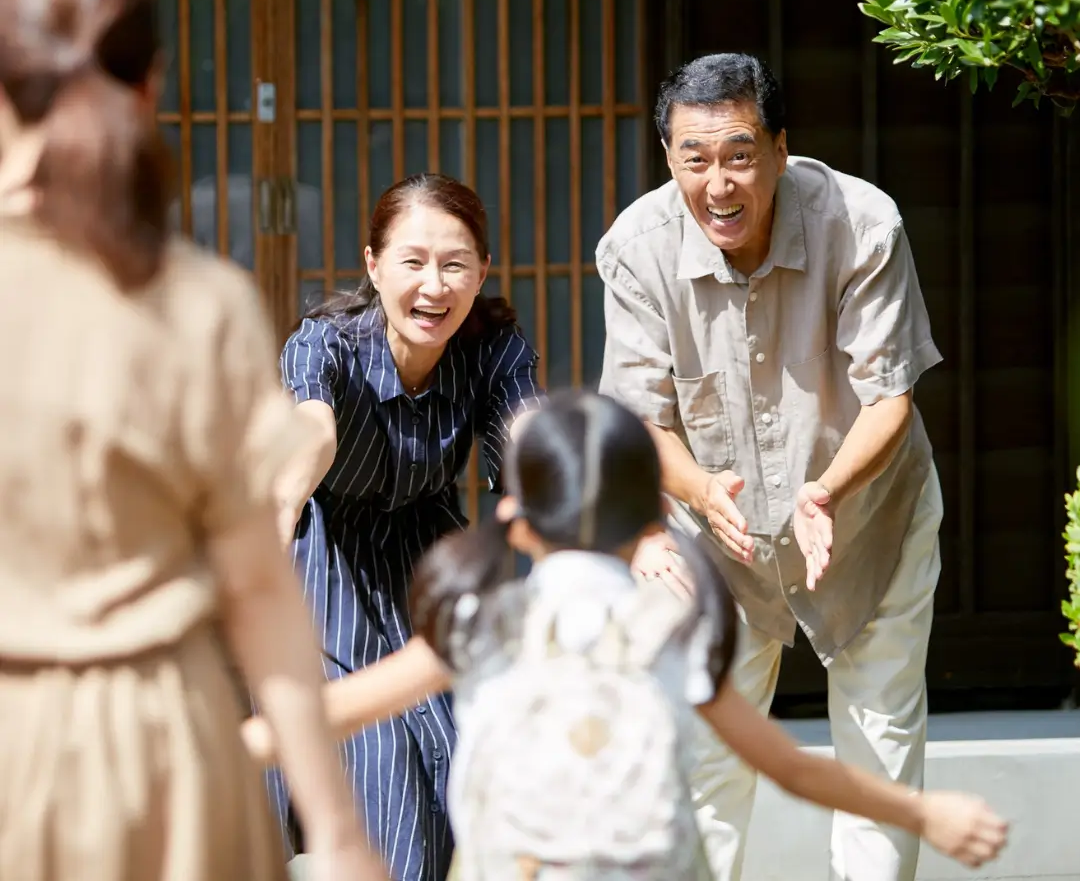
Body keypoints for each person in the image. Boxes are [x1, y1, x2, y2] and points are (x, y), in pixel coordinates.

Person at [241, 391, 1007, 879]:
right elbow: (792, 768)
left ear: (515, 521)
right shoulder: (668, 633)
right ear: (650, 524)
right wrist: (922, 813)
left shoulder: (488, 626)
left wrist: (214, 744)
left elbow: (322, 716)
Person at [0, 0, 381, 881]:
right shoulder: (200, 302)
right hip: (172, 750)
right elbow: (259, 587)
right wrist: (337, 833)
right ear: (153, 82)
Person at [595, 52, 946, 881]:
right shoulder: (636, 249)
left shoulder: (862, 224)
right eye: (695, 158)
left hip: (867, 522)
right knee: (704, 762)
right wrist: (700, 491)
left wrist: (823, 491)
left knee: (877, 765)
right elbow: (641, 418)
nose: (718, 183)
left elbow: (889, 397)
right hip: (718, 542)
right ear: (669, 157)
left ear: (782, 150)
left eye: (740, 155)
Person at [268, 172, 543, 880]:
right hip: (327, 560)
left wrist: (586, 525)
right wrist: (280, 509)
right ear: (373, 264)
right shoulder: (324, 343)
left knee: (457, 754)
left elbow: (528, 443)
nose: (433, 286)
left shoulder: (494, 348)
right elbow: (312, 430)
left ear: (482, 270)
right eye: (413, 262)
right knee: (383, 751)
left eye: (454, 264)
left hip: (430, 565)